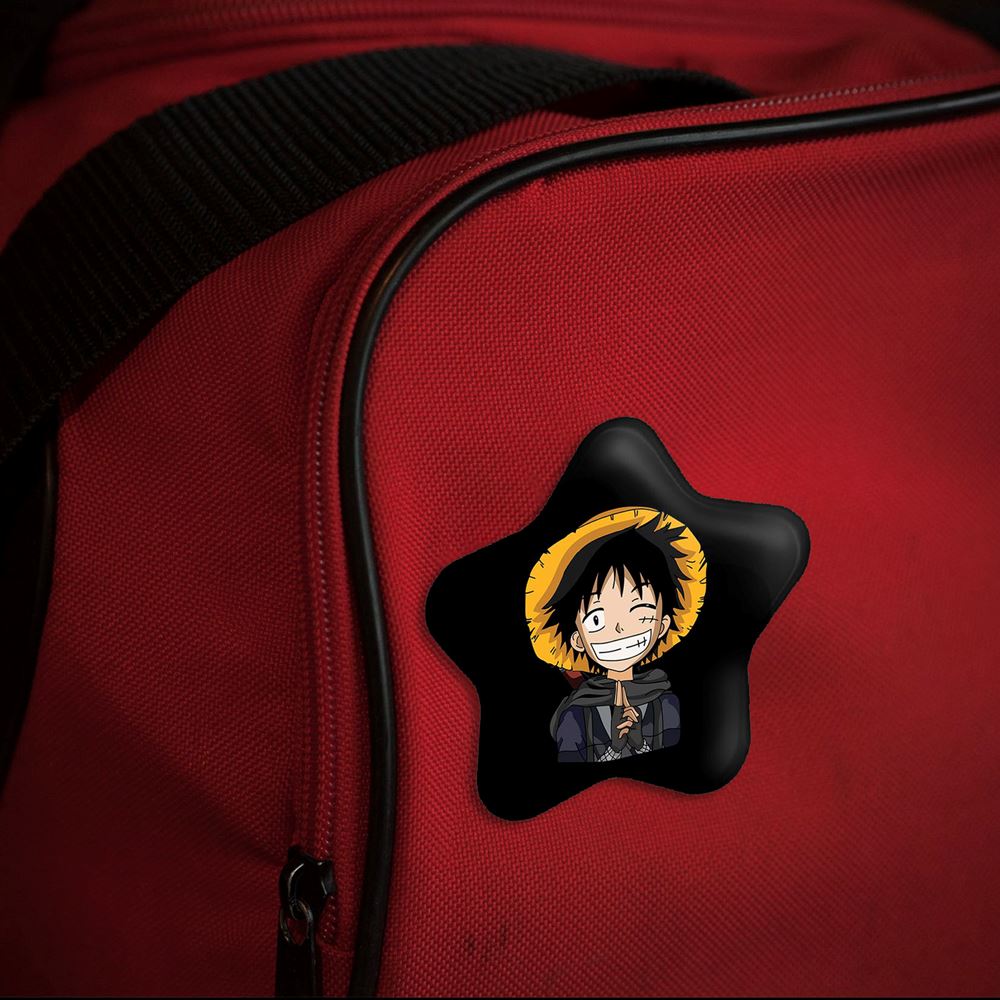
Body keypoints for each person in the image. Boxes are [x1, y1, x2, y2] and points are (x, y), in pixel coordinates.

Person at [524, 507, 706, 762]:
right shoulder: (574, 715)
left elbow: (677, 759)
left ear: (663, 625)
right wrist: (614, 747)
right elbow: (570, 770)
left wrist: (639, 742)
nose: (620, 628)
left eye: (640, 612)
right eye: (597, 619)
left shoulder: (666, 703)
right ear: (577, 639)